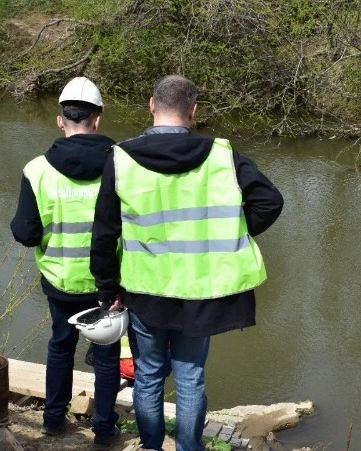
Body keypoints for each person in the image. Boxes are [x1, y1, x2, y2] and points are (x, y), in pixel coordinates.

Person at [90, 74, 284, 451]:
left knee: (148, 375)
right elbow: (269, 202)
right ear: (193, 111)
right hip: (201, 291)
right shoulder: (222, 155)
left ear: (151, 105)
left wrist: (106, 287)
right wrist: (231, 231)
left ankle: (151, 446)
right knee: (191, 378)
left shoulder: (121, 157)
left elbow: (104, 232)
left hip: (145, 291)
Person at [10, 76, 121, 450]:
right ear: (97, 120)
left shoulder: (36, 170)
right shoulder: (123, 166)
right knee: (106, 355)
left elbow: (26, 233)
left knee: (61, 345)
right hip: (107, 284)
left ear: (61, 120)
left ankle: (53, 420)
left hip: (60, 282)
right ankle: (104, 431)